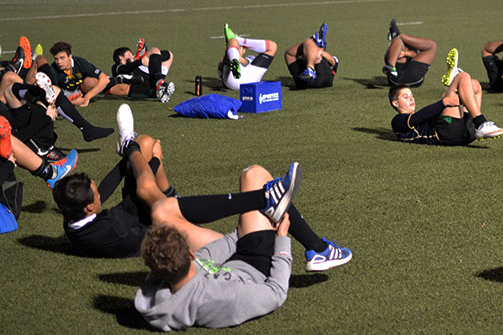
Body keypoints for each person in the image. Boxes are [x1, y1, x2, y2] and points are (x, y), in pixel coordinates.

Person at [53, 104, 351, 271]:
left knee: (253, 171)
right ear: (90, 207)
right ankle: (314, 243)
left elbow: (104, 196)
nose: (98, 191)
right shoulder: (110, 234)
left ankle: (314, 246)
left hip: (138, 217)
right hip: (238, 256)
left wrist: (129, 162)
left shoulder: (75, 214)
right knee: (160, 206)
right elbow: (155, 234)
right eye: (94, 194)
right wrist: (147, 162)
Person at [389, 49, 503, 144]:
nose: (411, 99)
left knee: (475, 85)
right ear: (395, 103)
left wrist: (447, 99)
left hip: (468, 133)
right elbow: (421, 116)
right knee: (462, 77)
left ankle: (455, 81)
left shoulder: (419, 120)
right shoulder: (397, 121)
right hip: (448, 134)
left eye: (411, 95)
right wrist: (444, 102)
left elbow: (429, 116)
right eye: (405, 97)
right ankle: (481, 123)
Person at [35, 40, 113, 108]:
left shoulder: (80, 62)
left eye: (62, 58)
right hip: (65, 93)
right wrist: (72, 102)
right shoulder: (53, 70)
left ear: (70, 57)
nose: (58, 62)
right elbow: (54, 95)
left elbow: (105, 79)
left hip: (82, 89)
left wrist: (87, 97)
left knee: (92, 82)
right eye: (56, 59)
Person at [111, 39, 175, 103]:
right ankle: (160, 83)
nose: (132, 56)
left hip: (151, 79)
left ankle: (160, 84)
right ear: (120, 57)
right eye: (129, 54)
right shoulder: (116, 67)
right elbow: (127, 68)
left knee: (169, 54)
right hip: (140, 83)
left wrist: (151, 60)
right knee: (155, 50)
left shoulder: (135, 65)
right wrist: (140, 61)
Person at [218, 23, 278, 90]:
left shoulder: (250, 58)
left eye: (239, 48)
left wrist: (240, 60)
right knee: (231, 45)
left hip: (249, 80)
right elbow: (221, 74)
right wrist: (224, 62)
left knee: (273, 46)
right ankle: (237, 42)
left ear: (244, 50)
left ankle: (237, 42)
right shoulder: (226, 58)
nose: (237, 50)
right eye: (235, 48)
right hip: (233, 81)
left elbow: (246, 62)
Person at [382, 19, 437, 88]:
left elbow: (416, 55)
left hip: (396, 80)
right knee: (432, 46)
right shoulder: (393, 49)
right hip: (412, 80)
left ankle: (399, 36)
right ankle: (391, 66)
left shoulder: (395, 50)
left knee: (397, 41)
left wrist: (405, 53)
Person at [284, 23, 339, 90]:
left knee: (307, 42)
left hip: (304, 83)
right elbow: (335, 63)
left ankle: (310, 67)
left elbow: (288, 53)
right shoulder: (324, 57)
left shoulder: (300, 60)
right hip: (326, 81)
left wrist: (308, 44)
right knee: (309, 44)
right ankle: (314, 44)